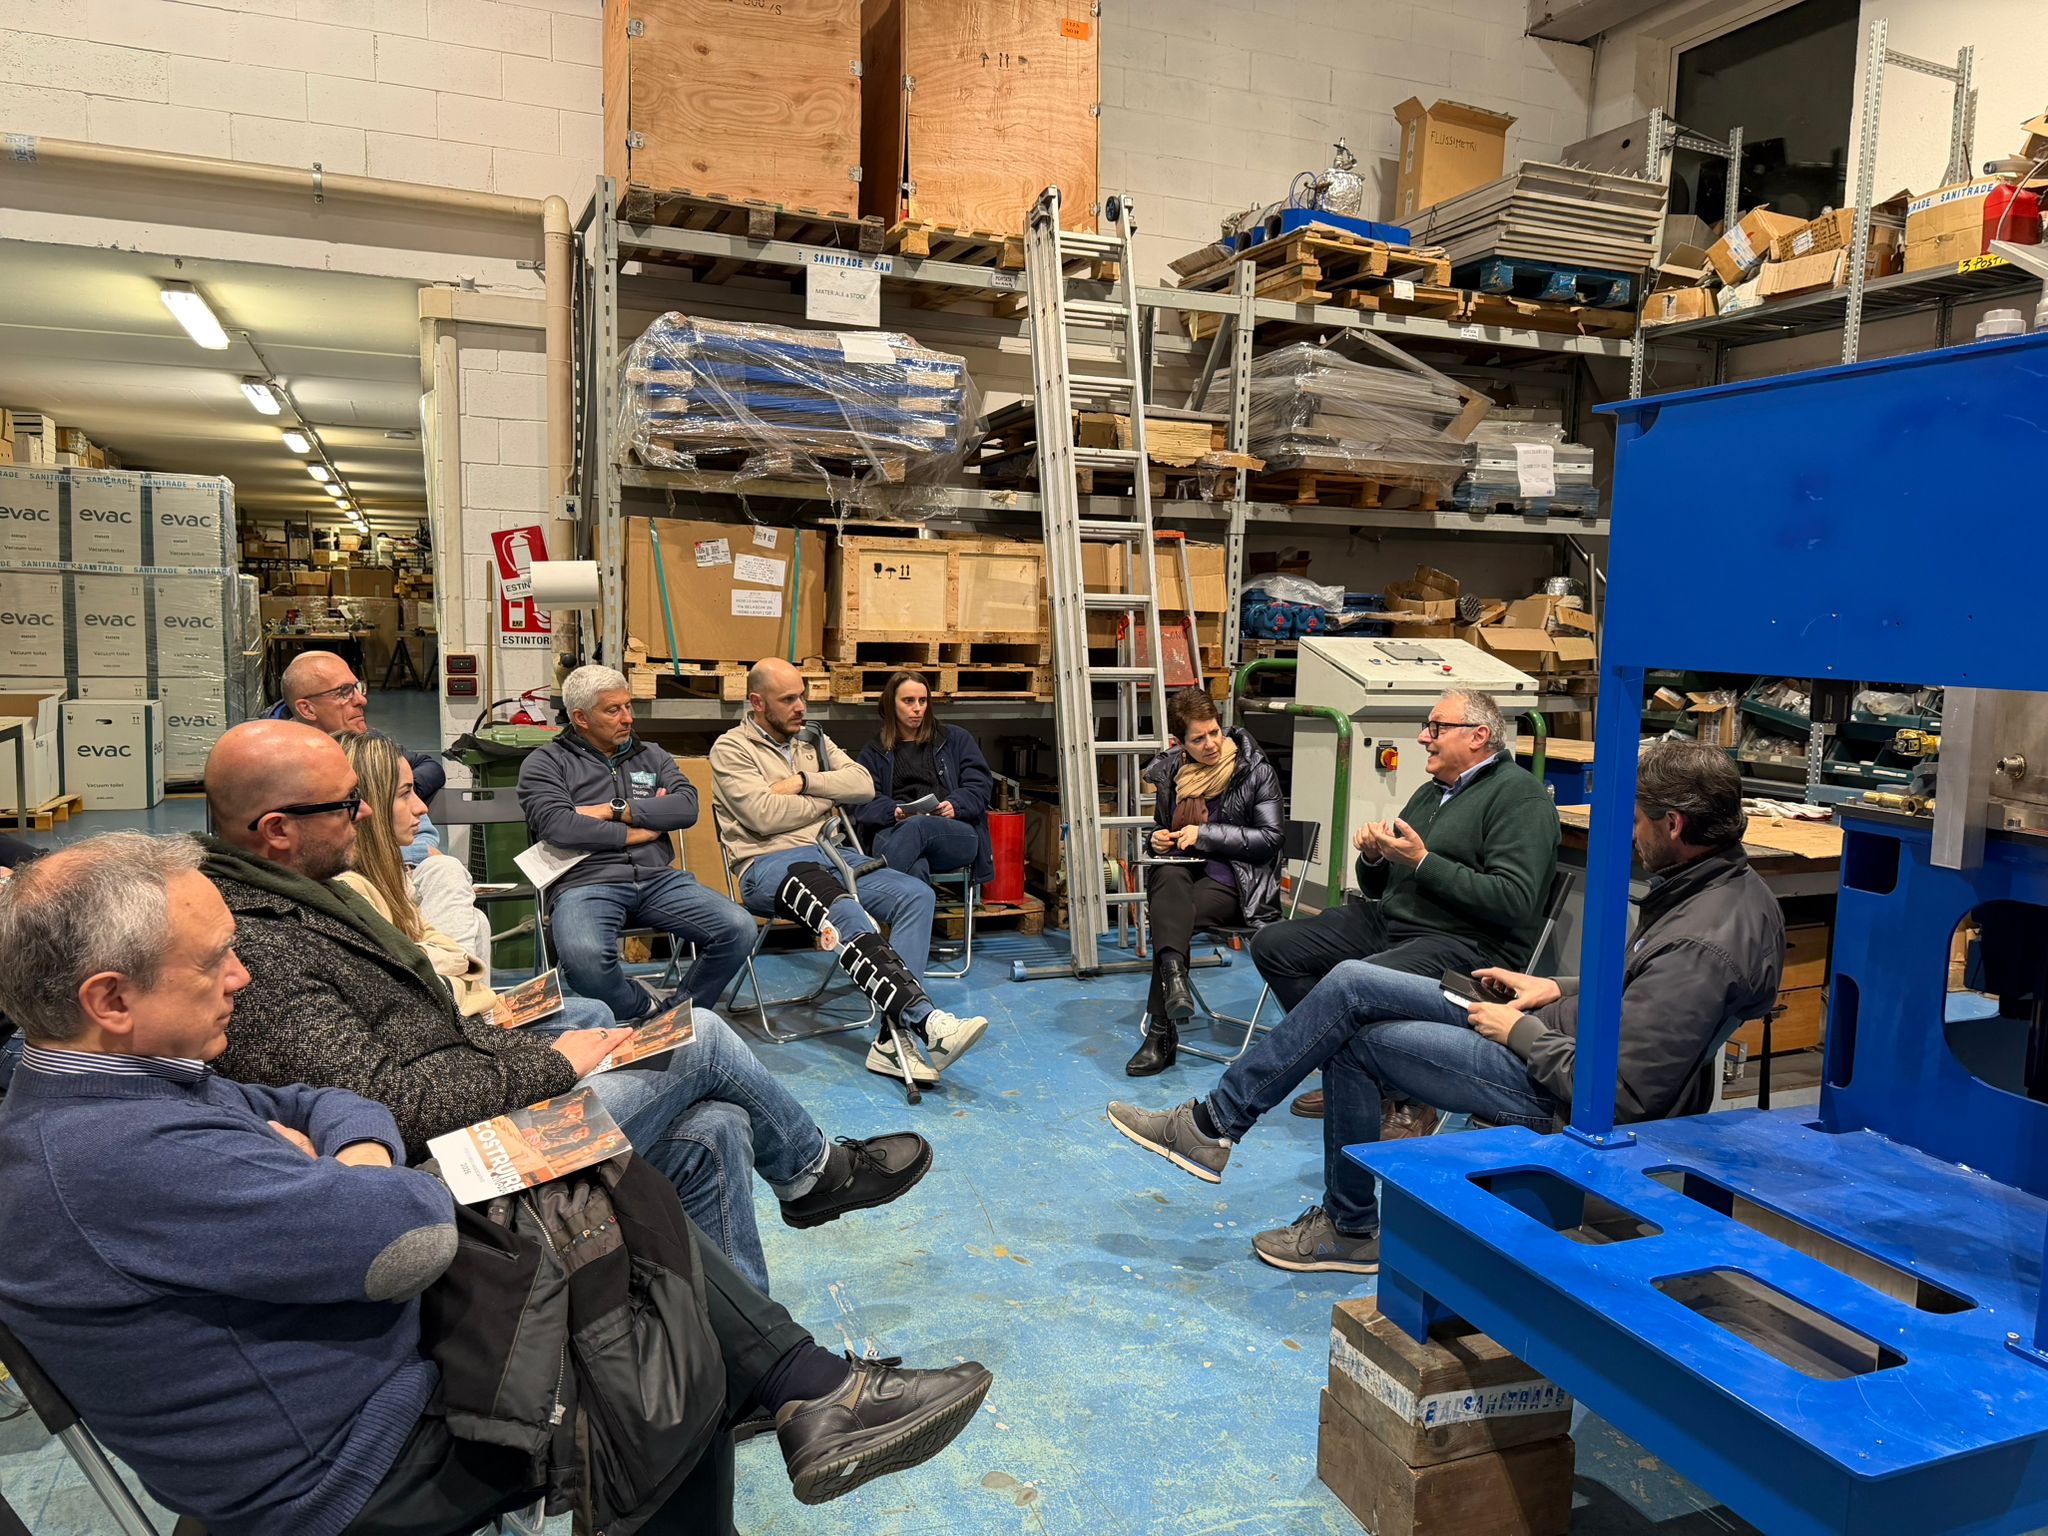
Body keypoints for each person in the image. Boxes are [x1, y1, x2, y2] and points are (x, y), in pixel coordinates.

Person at [0, 831, 993, 1534]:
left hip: (351, 1358)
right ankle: (793, 1371)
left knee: (669, 1148)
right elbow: (402, 1237)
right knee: (665, 1356)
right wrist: (365, 1163)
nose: (240, 978)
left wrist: (342, 1153)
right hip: (357, 1456)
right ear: (110, 997)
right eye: (214, 962)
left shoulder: (111, 1083)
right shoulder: (114, 1153)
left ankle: (799, 1384)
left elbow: (318, 1103)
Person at [202, 719, 928, 1293]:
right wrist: (549, 1065)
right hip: (450, 1178)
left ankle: (741, 1357)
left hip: (470, 1117)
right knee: (700, 1035)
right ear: (278, 830)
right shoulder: (269, 946)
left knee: (719, 1124)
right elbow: (391, 1102)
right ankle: (812, 1173)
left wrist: (531, 1048)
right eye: (350, 803)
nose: (380, 812)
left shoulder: (315, 905)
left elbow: (435, 1032)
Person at [1108, 740, 1785, 1275]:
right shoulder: (1718, 890)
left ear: (1674, 824)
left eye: (1637, 820)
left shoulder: (1701, 940)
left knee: (1353, 1032)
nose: (1631, 835)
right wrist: (1556, 988)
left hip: (1554, 1077)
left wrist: (1519, 1031)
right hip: (1549, 1024)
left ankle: (1315, 1202)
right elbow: (1644, 989)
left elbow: (1625, 1092)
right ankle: (1219, 1131)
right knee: (1350, 983)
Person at [1253, 687, 1559, 1119]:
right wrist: (1375, 858)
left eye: (1437, 727)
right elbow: (1381, 889)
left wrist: (1422, 862)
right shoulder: (1431, 793)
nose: (1423, 737)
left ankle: (1388, 1087)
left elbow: (1514, 900)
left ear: (1478, 736)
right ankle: (1354, 1066)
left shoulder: (1519, 797)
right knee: (1274, 945)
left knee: (1353, 981)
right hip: (1395, 923)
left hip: (1465, 943)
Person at [712, 659, 988, 1088]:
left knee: (916, 894)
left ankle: (889, 1039)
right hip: (769, 865)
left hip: (832, 855)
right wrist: (829, 797)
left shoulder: (812, 740)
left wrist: (805, 783)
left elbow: (862, 785)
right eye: (789, 700)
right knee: (843, 908)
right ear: (757, 703)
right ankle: (926, 1020)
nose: (801, 707)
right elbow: (763, 816)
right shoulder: (731, 749)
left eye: (803, 696)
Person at [519, 664, 756, 1022]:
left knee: (738, 927)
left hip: (658, 879)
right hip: (585, 883)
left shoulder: (652, 755)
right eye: (613, 710)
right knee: (584, 958)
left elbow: (685, 807)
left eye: (628, 706)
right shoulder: (545, 763)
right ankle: (641, 1007)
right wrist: (639, 829)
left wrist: (614, 810)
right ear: (581, 718)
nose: (628, 718)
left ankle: (677, 1016)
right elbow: (559, 826)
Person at [1125, 687, 1283, 1078]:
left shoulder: (1254, 769)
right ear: (1180, 743)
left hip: (1237, 883)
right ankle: (1174, 980)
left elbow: (1270, 839)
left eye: (1214, 732)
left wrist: (1205, 834)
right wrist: (1157, 839)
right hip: (1182, 874)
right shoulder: (1171, 773)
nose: (1211, 744)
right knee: (1167, 876)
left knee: (1170, 916)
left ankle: (1160, 1033)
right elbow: (1163, 827)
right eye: (1198, 739)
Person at [272, 649, 446, 862]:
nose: (361, 700)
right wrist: (409, 852)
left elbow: (424, 833)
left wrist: (389, 790)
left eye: (357, 687)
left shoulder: (368, 746)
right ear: (307, 709)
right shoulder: (278, 767)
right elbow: (301, 855)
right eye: (344, 692)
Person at [853, 670, 995, 887]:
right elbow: (861, 801)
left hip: (953, 831)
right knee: (915, 867)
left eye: (923, 700)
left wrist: (955, 805)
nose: (917, 708)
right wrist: (893, 811)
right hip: (894, 830)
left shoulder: (955, 739)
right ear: (891, 704)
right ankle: (904, 907)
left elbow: (980, 785)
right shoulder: (874, 751)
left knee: (917, 825)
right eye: (908, 701)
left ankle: (863, 893)